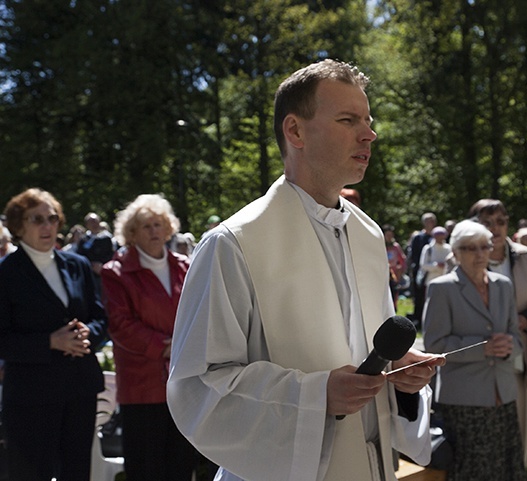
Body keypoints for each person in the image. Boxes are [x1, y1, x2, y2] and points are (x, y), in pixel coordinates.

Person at [167, 59, 444, 481]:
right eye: (348, 120)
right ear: (295, 131)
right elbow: (200, 386)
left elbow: (362, 350)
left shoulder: (368, 235)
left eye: (368, 121)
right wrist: (316, 396)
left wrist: (396, 373)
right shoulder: (234, 243)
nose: (369, 134)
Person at [0, 188, 107, 481]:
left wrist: (87, 334)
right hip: (31, 396)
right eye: (37, 220)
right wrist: (50, 342)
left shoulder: (78, 265)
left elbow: (100, 317)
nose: (47, 226)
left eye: (52, 218)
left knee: (76, 472)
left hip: (78, 388)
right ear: (19, 225)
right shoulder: (6, 273)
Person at [101, 194, 207, 481]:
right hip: (142, 388)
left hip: (183, 384)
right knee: (146, 468)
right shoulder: (117, 273)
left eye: (159, 224)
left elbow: (202, 312)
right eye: (146, 226)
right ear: (132, 233)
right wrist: (166, 347)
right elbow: (120, 324)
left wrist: (189, 345)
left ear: (169, 228)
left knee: (181, 467)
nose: (154, 232)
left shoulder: (185, 266)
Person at [423, 219, 525, 481]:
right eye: (470, 248)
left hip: (503, 393)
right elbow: (435, 345)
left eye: (484, 246)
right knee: (473, 471)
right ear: (455, 254)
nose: (479, 254)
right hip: (465, 399)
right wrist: (484, 349)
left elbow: (516, 334)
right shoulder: (441, 288)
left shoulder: (503, 284)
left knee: (507, 468)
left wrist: (508, 347)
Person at [467, 199, 527, 465]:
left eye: (501, 222)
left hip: (519, 360)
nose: (495, 228)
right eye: (487, 222)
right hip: (476, 363)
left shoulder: (525, 256)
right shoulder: (460, 258)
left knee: (517, 436)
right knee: (481, 443)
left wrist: (525, 319)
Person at [407, 212, 437, 327]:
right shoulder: (418, 238)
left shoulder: (437, 236)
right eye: (428, 221)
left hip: (435, 272)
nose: (431, 223)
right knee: (419, 297)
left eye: (432, 221)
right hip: (421, 272)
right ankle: (418, 320)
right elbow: (414, 256)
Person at [77, 212, 116, 293]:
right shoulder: (83, 240)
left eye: (95, 221)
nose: (94, 224)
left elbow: (111, 255)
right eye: (91, 222)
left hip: (104, 273)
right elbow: (80, 256)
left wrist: (102, 266)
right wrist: (90, 265)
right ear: (87, 225)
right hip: (88, 275)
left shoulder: (106, 239)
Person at [382, 224, 407, 309]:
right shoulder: (381, 246)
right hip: (383, 275)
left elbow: (402, 260)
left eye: (391, 235)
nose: (389, 237)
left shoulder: (396, 246)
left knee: (393, 297)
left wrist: (400, 270)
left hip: (394, 277)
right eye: (387, 235)